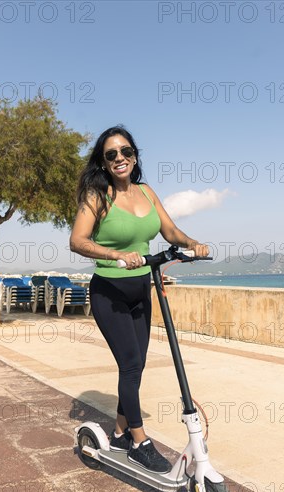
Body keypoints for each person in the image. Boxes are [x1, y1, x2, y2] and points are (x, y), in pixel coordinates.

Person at [70, 125, 209, 473]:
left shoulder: (146, 192)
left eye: (126, 152)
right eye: (111, 154)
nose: (120, 159)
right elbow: (78, 241)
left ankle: (118, 432)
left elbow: (170, 230)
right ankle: (139, 442)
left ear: (135, 156)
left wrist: (193, 244)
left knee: (136, 367)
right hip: (109, 292)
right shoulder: (96, 196)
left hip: (141, 291)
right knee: (130, 364)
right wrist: (116, 255)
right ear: (103, 163)